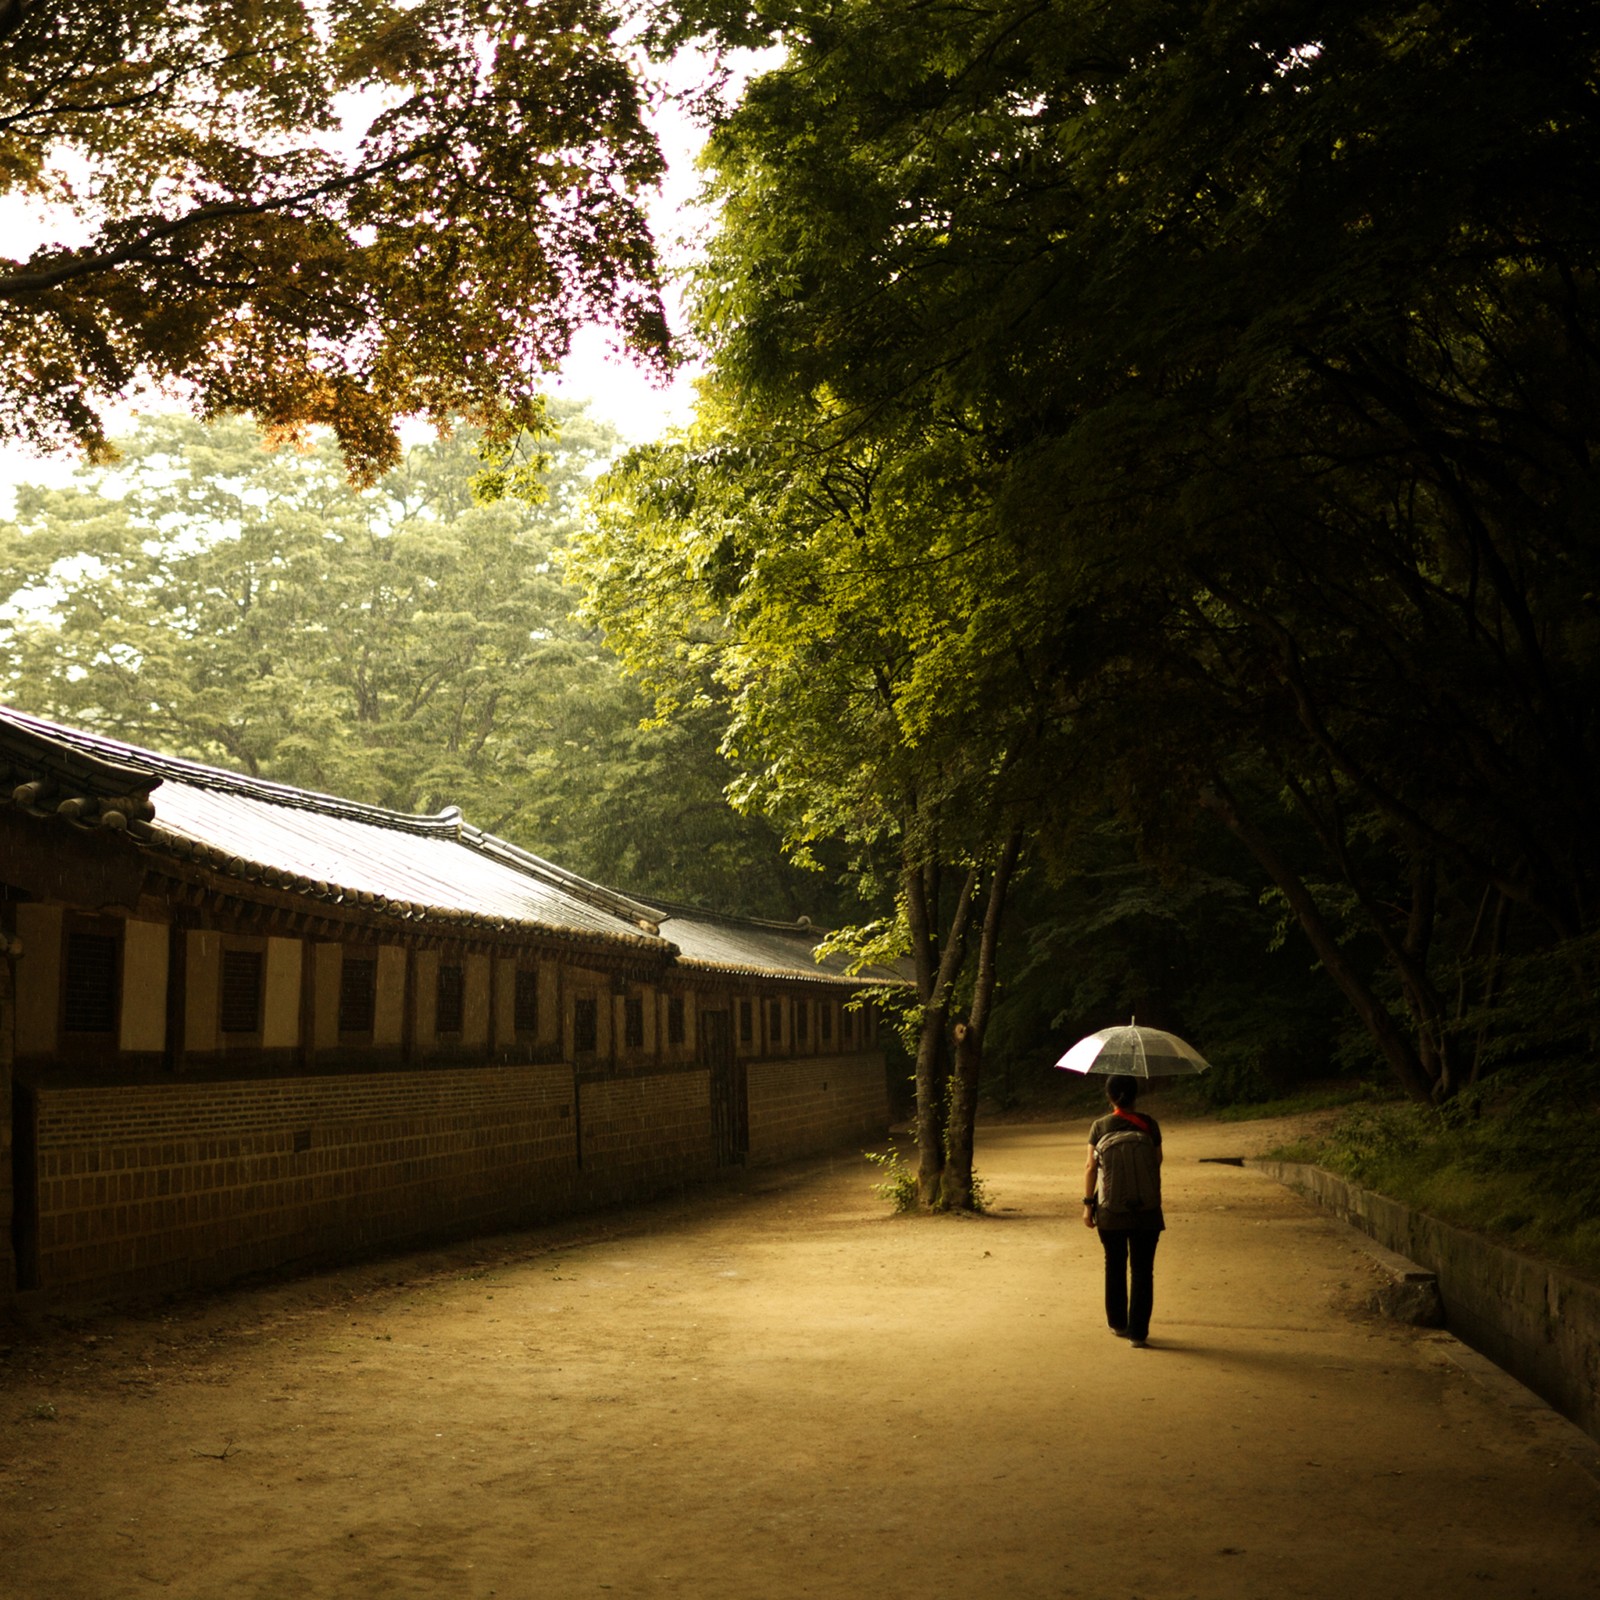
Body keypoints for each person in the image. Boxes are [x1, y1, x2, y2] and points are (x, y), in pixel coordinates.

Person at [1081, 1074, 1164, 1347]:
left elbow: (1091, 1168)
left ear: (1110, 1096)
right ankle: (1138, 1334)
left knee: (1114, 1265)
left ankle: (1118, 1323)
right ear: (1136, 1095)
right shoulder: (1149, 1124)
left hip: (1110, 1210)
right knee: (1143, 1270)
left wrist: (1087, 1206)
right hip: (1147, 1210)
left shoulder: (1099, 1126)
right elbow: (1157, 1162)